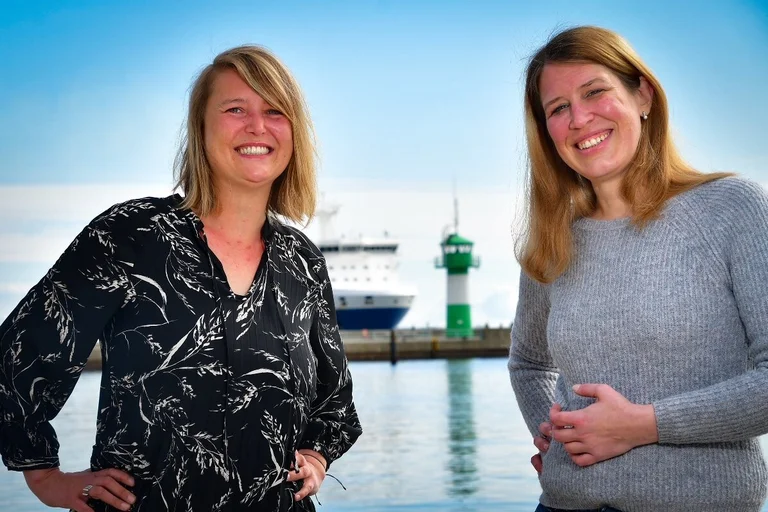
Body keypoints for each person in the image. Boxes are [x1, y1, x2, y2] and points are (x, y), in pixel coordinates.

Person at [0, 45, 362, 512]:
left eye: (275, 111)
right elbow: (17, 360)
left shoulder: (303, 263)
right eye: (236, 109)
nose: (257, 126)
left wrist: (315, 455)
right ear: (202, 128)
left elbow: (335, 399)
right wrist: (46, 477)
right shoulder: (129, 236)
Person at [508, 25, 768, 512]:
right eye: (558, 108)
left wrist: (644, 424)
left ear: (643, 93)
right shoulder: (554, 239)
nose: (580, 118)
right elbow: (528, 362)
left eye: (595, 92)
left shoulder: (734, 209)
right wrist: (560, 435)